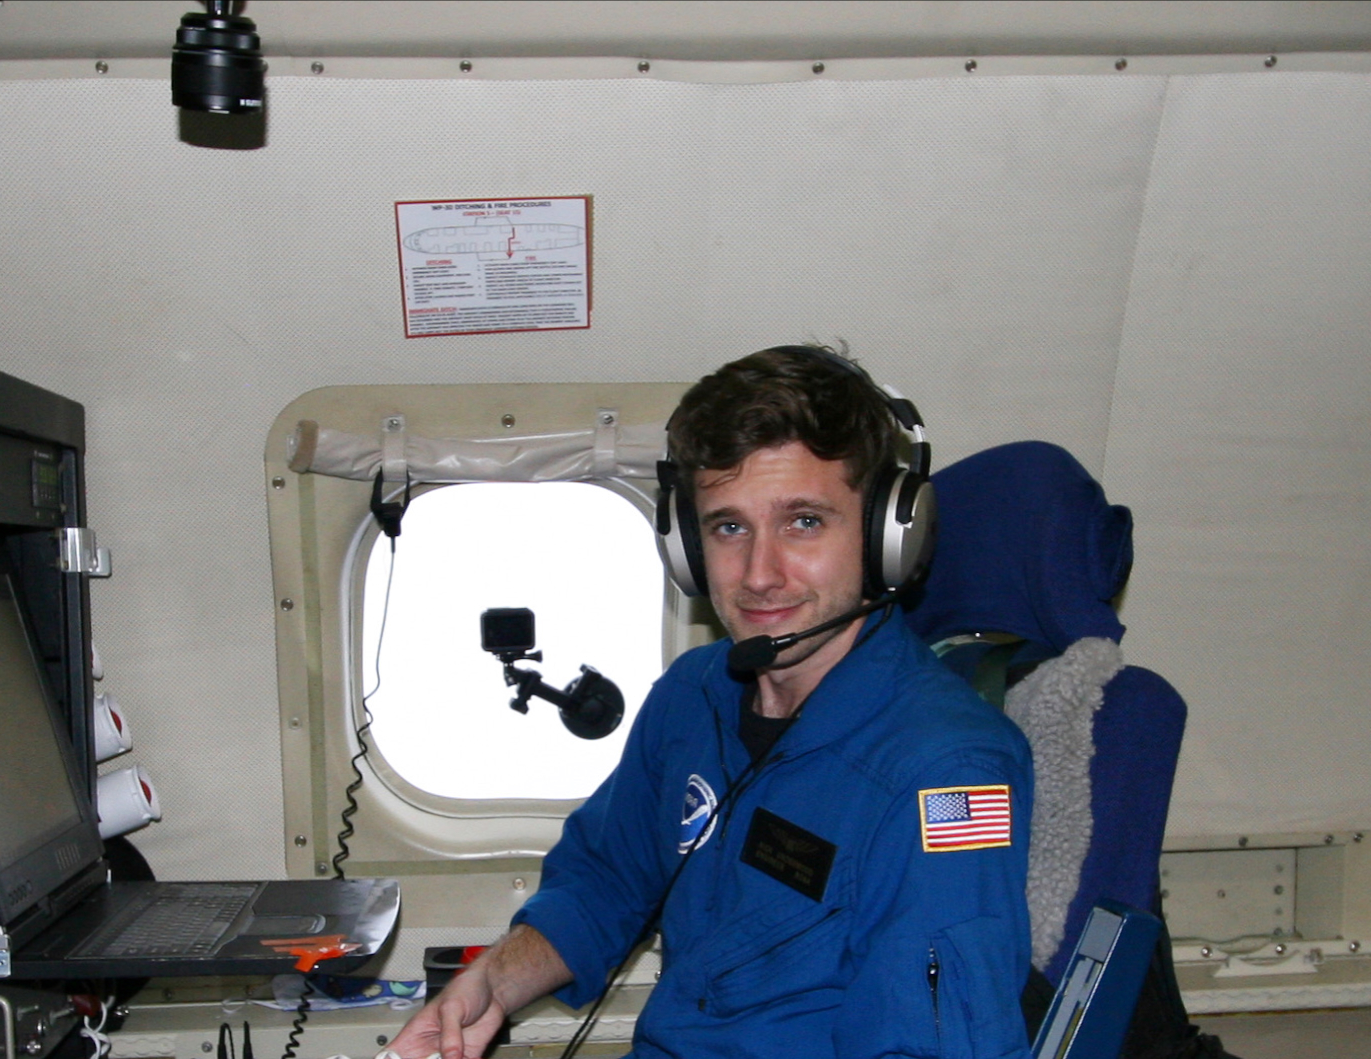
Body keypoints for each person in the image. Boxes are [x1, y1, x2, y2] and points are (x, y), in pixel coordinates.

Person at [384, 345, 1034, 1059]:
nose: (760, 574)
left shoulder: (944, 770)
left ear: (888, 536)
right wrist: (488, 986)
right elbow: (606, 878)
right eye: (728, 527)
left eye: (803, 522)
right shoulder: (692, 697)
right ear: (687, 545)